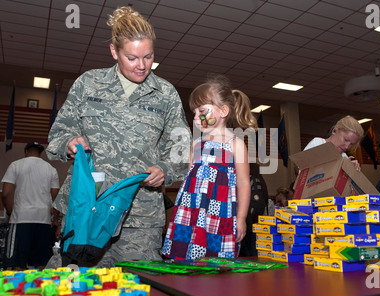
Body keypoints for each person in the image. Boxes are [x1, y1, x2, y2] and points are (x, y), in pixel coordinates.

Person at [46, 7, 191, 267]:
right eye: (132, 58)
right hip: (88, 209)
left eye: (148, 56)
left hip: (140, 217)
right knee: (77, 287)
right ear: (114, 51)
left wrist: (165, 169)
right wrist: (68, 142)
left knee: (136, 287)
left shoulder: (165, 94)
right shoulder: (88, 84)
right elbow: (57, 135)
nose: (142, 65)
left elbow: (181, 148)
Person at [162, 75, 256, 260]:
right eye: (194, 112)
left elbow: (244, 183)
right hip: (191, 212)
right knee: (184, 258)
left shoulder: (235, 144)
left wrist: (242, 218)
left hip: (219, 212)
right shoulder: (196, 144)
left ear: (223, 111)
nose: (196, 117)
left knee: (216, 259)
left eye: (202, 111)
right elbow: (189, 181)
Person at [1, 142, 60, 270]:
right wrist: (53, 216)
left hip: (21, 218)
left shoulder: (16, 165)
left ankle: (17, 289)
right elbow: (56, 195)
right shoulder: (50, 169)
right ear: (41, 153)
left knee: (16, 264)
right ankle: (40, 289)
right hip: (44, 220)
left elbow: (5, 193)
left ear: (26, 151)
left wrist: (10, 211)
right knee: (42, 264)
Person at [240, 163, 269, 257]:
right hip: (254, 222)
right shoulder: (258, 179)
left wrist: (247, 219)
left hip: (250, 222)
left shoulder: (251, 179)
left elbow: (257, 203)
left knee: (249, 253)